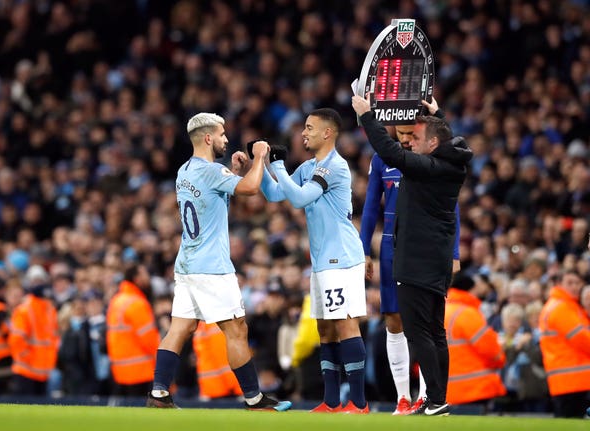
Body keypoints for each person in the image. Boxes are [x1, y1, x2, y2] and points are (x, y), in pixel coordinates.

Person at [148, 112, 291, 411]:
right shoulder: (213, 173)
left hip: (187, 264)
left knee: (180, 329)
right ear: (208, 138)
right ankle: (254, 398)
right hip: (212, 267)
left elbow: (212, 196)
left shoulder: (185, 171)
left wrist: (233, 171)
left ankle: (159, 393)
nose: (227, 139)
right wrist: (260, 157)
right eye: (223, 134)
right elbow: (251, 190)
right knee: (236, 329)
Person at [352, 94, 472, 416]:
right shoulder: (452, 161)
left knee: (419, 333)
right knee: (435, 331)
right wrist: (439, 115)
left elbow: (392, 153)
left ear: (432, 144)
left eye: (416, 138)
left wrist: (366, 117)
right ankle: (436, 399)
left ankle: (432, 398)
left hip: (416, 258)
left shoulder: (426, 166)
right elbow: (443, 139)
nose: (409, 142)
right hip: (433, 258)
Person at [260, 108, 369, 414]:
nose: (303, 133)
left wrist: (279, 165)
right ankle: (332, 402)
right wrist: (259, 167)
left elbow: (299, 199)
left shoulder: (334, 167)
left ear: (327, 133)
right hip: (322, 262)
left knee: (346, 326)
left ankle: (359, 404)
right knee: (325, 329)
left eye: (309, 128)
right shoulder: (309, 166)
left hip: (342, 258)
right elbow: (276, 194)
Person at [444, 272, 506, 407]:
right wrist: (500, 358)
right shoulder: (467, 314)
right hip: (474, 387)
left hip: (446, 389)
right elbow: (491, 350)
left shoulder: (441, 312)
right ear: (471, 290)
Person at [538, 269, 590, 418]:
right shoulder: (562, 307)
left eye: (577, 283)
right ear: (559, 284)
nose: (574, 286)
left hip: (568, 379)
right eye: (569, 283)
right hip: (572, 379)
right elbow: (582, 339)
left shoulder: (564, 306)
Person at [106, 264, 159, 396]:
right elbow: (150, 341)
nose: (148, 278)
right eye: (145, 274)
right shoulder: (137, 304)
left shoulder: (117, 301)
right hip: (141, 372)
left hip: (121, 371)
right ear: (136, 278)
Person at [9, 265, 60, 395]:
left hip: (42, 368)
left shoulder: (49, 310)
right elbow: (17, 338)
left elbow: (54, 337)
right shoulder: (25, 310)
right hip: (26, 369)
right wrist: (26, 356)